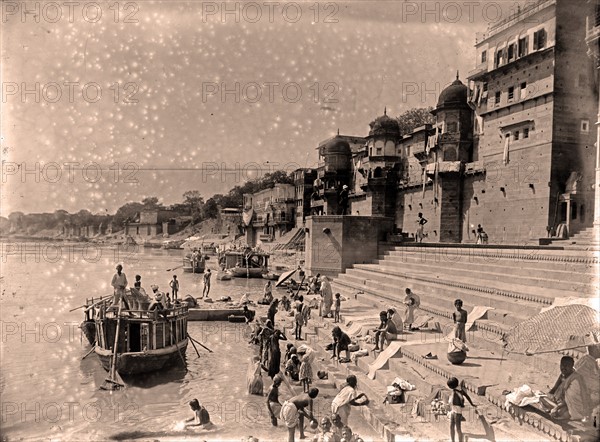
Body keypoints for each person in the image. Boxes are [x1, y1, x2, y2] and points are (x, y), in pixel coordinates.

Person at [539, 356, 591, 421]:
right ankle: (554, 409)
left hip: (571, 406)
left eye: (567, 366)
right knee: (541, 398)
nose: (563, 368)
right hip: (560, 403)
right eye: (562, 365)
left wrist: (557, 407)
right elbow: (555, 388)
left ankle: (554, 409)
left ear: (572, 366)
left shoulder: (575, 379)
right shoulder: (563, 375)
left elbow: (571, 399)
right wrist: (547, 395)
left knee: (560, 412)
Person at [447, 377, 476, 442]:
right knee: (451, 427)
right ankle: (453, 441)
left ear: (452, 386)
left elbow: (463, 398)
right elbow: (467, 396)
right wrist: (471, 404)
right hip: (453, 411)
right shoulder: (457, 390)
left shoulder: (457, 391)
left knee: (458, 429)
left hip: (457, 412)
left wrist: (469, 404)